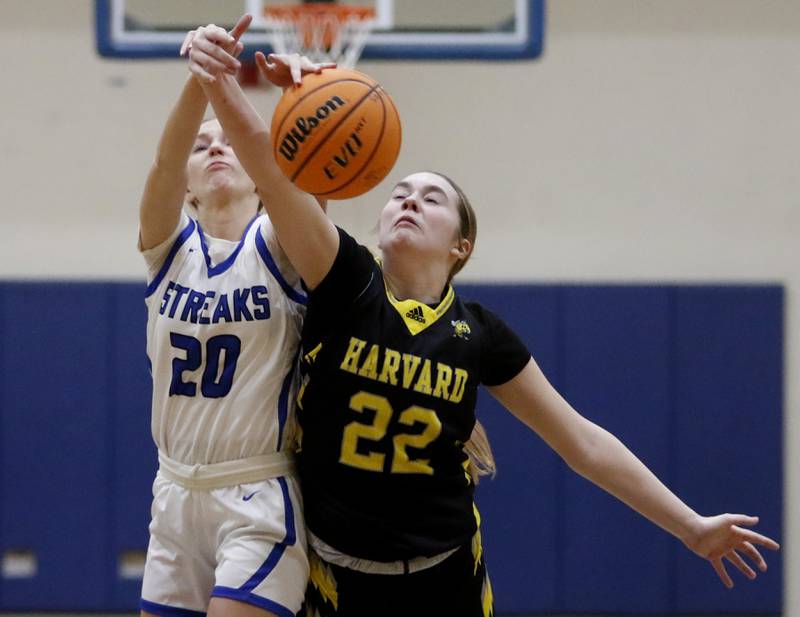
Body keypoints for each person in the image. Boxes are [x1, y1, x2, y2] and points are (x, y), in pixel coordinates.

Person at [185, 21, 780, 617]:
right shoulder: (346, 282)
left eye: (432, 197)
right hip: (339, 575)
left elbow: (582, 443)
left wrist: (690, 527)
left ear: (461, 247)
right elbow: (271, 173)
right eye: (399, 193)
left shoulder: (481, 334)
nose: (410, 200)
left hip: (447, 575)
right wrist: (240, 83)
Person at [138, 16, 335, 617]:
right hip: (172, 493)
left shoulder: (279, 244)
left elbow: (299, 175)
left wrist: (297, 97)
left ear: (259, 170)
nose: (217, 147)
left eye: (229, 140)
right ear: (191, 190)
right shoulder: (167, 250)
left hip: (256, 495)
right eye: (204, 146)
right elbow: (163, 166)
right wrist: (202, 76)